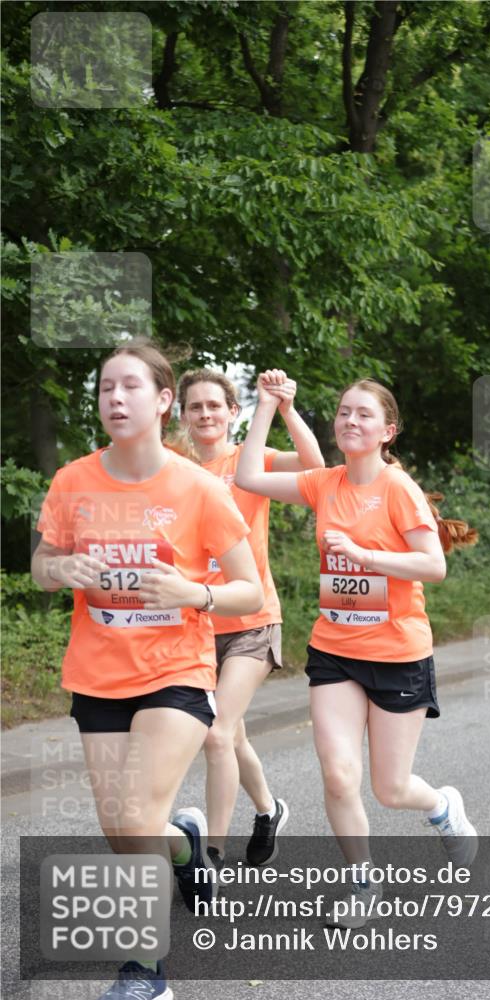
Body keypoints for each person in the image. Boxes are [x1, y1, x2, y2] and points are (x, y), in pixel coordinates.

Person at [31, 340, 264, 1000]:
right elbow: (42, 565)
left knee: (134, 815)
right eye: (105, 388)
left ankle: (146, 973)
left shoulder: (196, 487)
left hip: (177, 672)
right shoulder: (74, 480)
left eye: (130, 386)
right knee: (122, 827)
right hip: (98, 675)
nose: (115, 398)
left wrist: (197, 594)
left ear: (163, 401)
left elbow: (249, 589)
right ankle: (185, 844)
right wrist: (60, 570)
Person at [236, 371, 479, 927]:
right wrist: (271, 406)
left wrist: (367, 556)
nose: (350, 420)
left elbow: (433, 566)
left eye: (363, 414)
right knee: (339, 776)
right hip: (335, 650)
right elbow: (248, 476)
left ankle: (442, 807)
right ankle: (364, 884)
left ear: (387, 431)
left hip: (398, 653)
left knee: (390, 789)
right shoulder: (325, 482)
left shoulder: (398, 488)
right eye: (344, 412)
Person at [173, 367, 324, 868]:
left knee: (215, 735)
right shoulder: (173, 465)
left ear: (232, 412)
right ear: (184, 415)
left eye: (214, 405)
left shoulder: (249, 459)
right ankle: (268, 808)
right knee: (232, 734)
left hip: (253, 623)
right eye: (195, 407)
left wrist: (283, 407)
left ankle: (209, 857)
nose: (205, 414)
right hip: (195, 625)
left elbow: (315, 465)